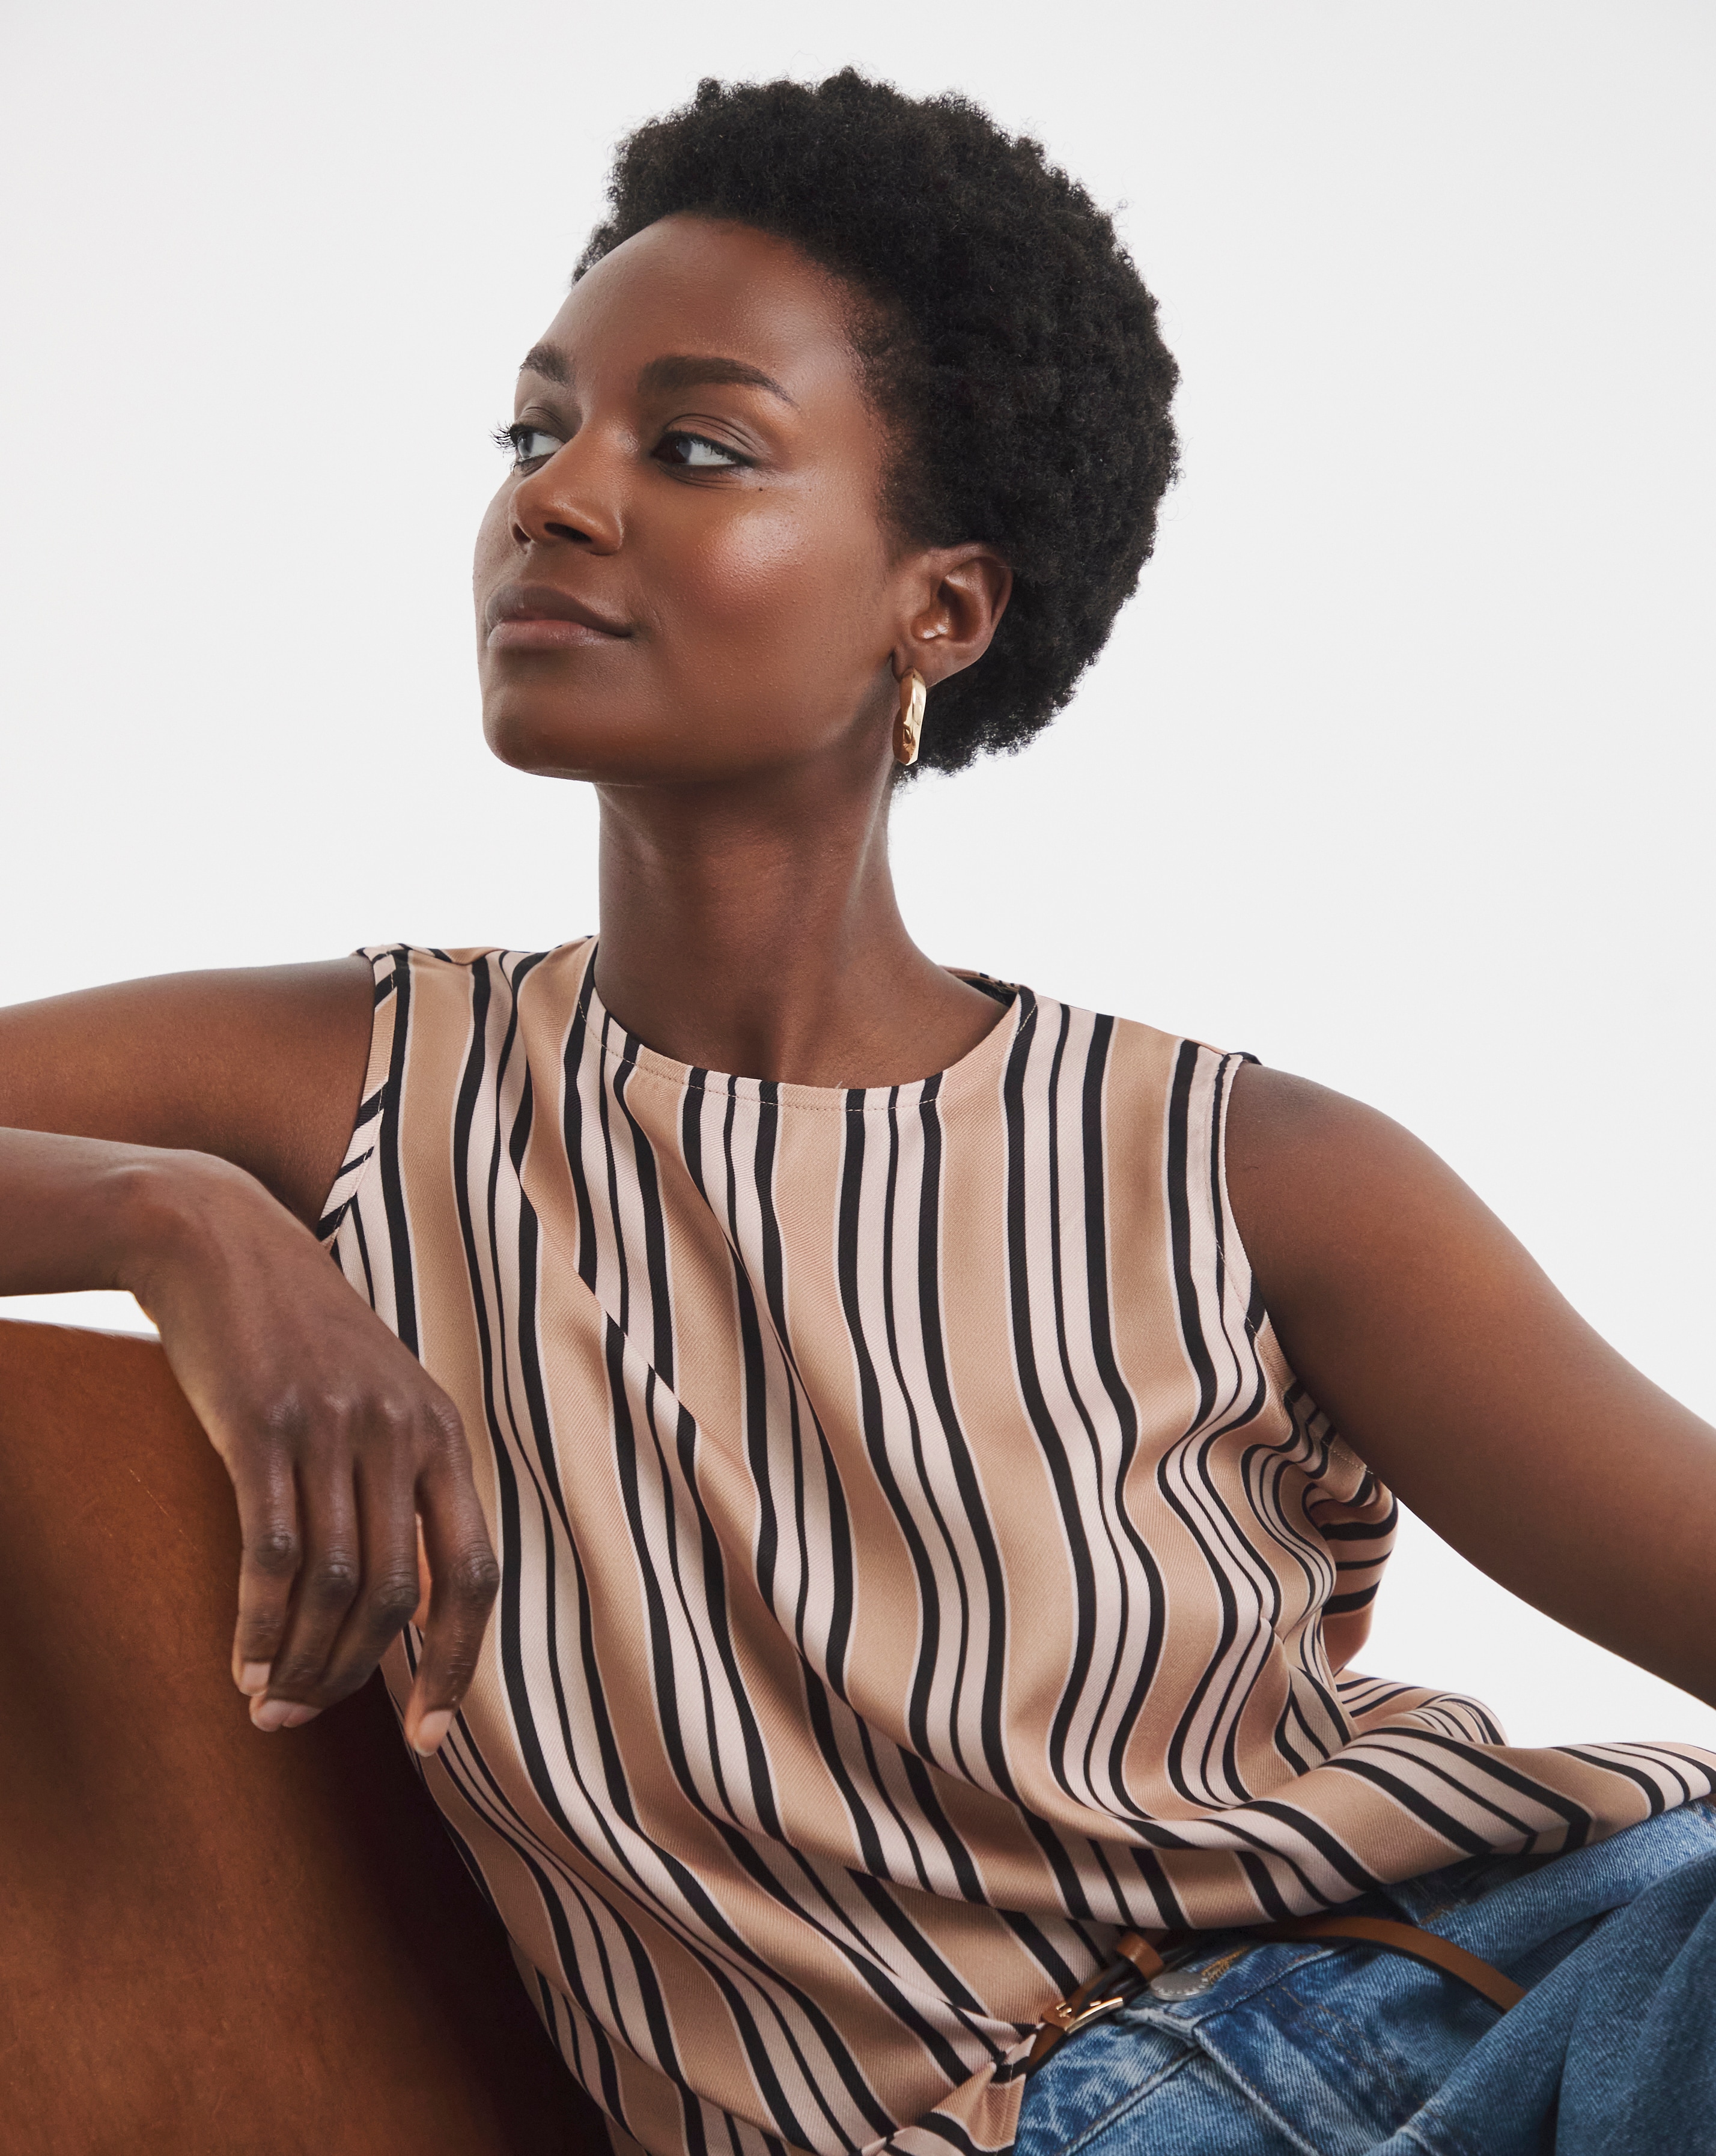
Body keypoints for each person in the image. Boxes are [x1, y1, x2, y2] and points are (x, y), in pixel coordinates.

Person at [3, 68, 1714, 2156]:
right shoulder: (352, 1086)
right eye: (533, 431)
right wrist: (179, 1223)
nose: (553, 496)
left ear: (943, 609)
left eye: (693, 446)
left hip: (1531, 2005)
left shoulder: (1250, 1176)